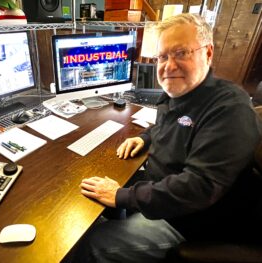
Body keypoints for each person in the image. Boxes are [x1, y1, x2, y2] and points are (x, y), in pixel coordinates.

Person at [73, 13, 262, 263]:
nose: (168, 66)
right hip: (164, 192)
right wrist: (145, 138)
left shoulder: (229, 109)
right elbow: (171, 125)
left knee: (92, 242)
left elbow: (198, 188)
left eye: (181, 53)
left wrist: (122, 196)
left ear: (208, 53)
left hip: (192, 222)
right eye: (163, 56)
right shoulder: (178, 93)